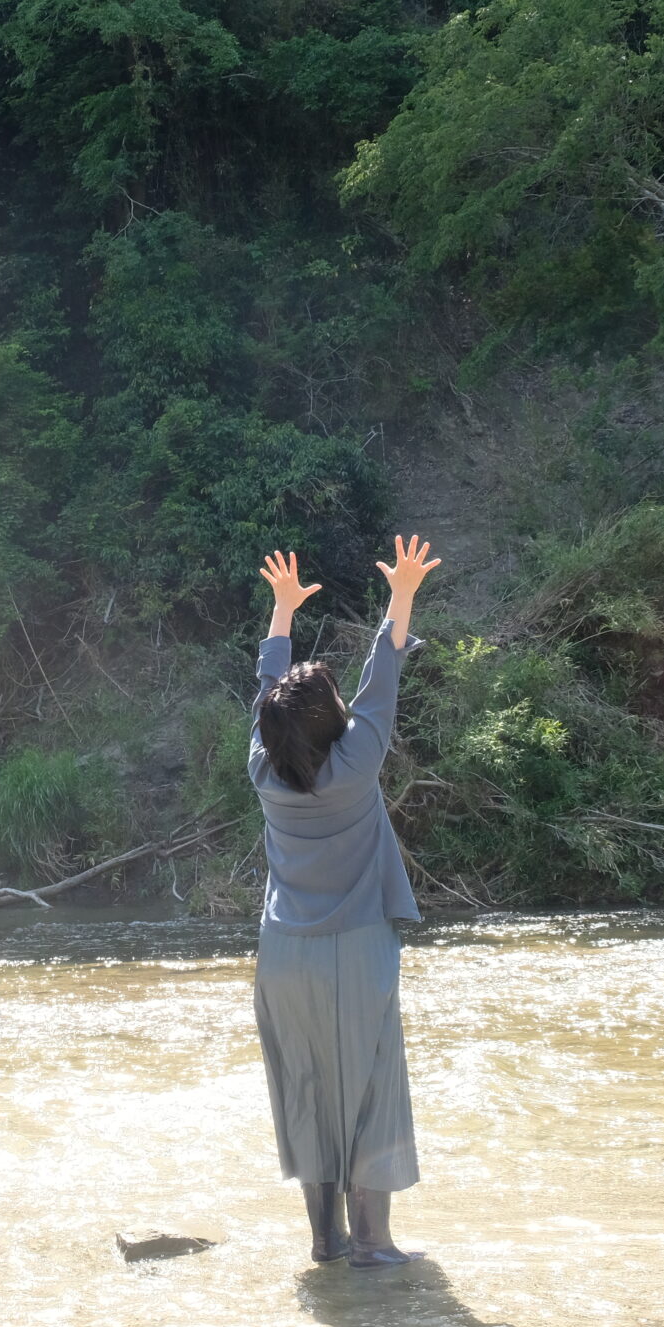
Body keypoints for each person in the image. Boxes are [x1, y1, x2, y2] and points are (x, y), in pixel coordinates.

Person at [249, 539, 439, 1269]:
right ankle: (374, 1244)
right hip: (356, 948)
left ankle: (323, 1241)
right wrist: (403, 592)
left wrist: (283, 609)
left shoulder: (263, 770)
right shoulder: (357, 763)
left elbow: (269, 686)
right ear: (334, 720)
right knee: (369, 1081)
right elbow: (382, 673)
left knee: (305, 1085)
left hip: (284, 955)